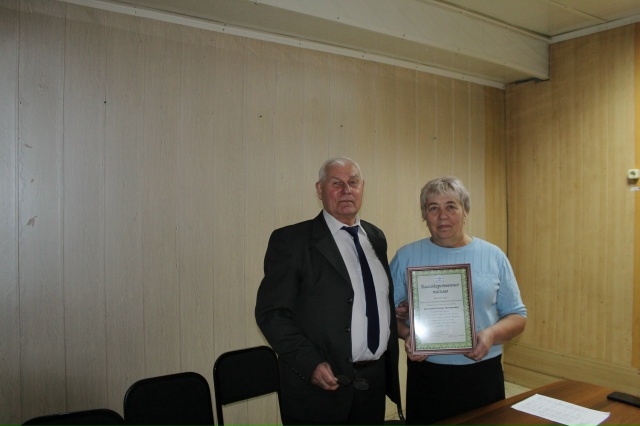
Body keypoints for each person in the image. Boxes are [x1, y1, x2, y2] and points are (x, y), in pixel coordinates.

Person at [255, 156, 401, 426]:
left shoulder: (375, 237)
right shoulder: (291, 241)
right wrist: (310, 363)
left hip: (372, 386)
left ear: (362, 188)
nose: (347, 190)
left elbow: (371, 300)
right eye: (337, 183)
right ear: (319, 190)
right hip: (318, 392)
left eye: (353, 182)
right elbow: (272, 313)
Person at [391, 176, 527, 425]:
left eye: (451, 206)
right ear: (424, 215)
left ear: (465, 211)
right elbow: (387, 316)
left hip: (482, 371)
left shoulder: (493, 255)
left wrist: (491, 335)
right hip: (428, 374)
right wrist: (408, 334)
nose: (442, 216)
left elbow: (518, 316)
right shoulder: (406, 256)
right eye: (433, 208)